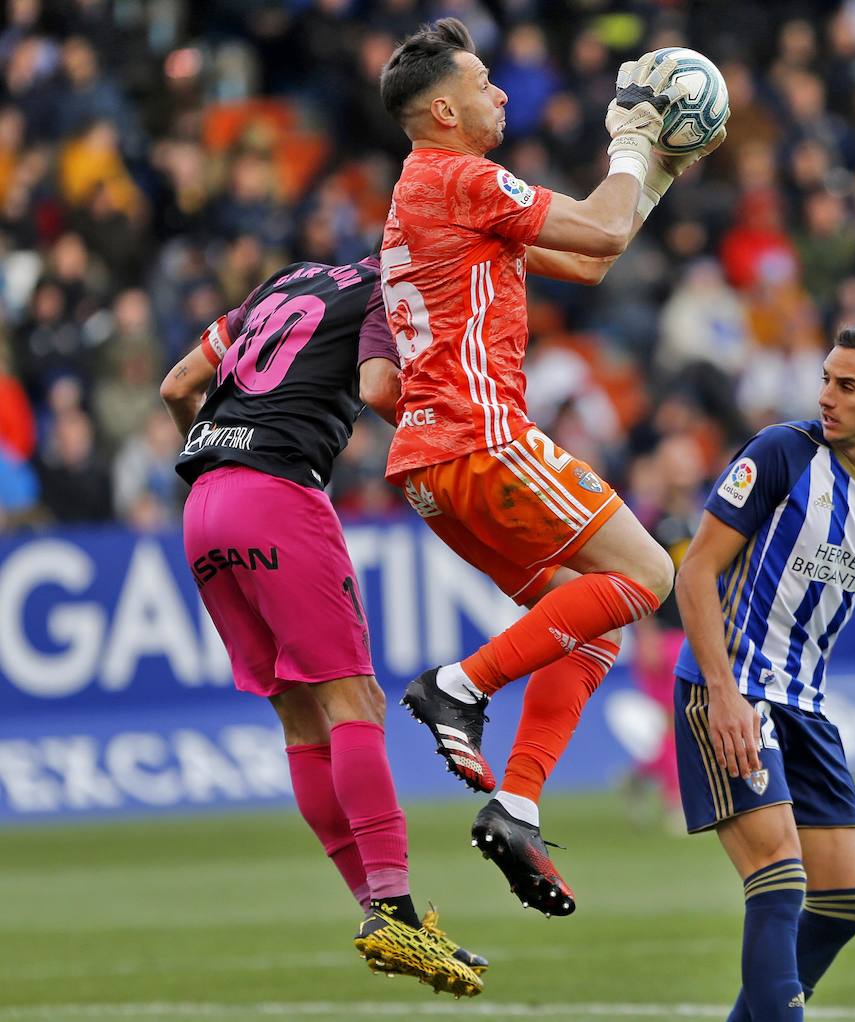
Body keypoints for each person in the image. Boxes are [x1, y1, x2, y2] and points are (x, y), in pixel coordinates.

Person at [374, 18, 723, 915]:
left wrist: (662, 171)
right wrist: (635, 140)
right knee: (649, 575)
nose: (500, 95)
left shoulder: (430, 195)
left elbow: (591, 258)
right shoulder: (461, 177)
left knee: (592, 625)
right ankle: (459, 686)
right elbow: (604, 230)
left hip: (429, 468)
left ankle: (517, 803)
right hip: (482, 439)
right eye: (486, 83)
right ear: (443, 110)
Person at [159, 255, 487, 999]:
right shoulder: (386, 289)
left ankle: (377, 913)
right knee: (354, 703)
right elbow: (377, 389)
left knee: (301, 720)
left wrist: (211, 448)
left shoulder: (284, 281)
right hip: (279, 495)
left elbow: (177, 384)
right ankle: (397, 911)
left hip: (203, 505)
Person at [673, 322, 855, 1021]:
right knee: (778, 880)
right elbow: (694, 574)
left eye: (848, 386)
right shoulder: (781, 454)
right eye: (825, 379)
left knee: (845, 902)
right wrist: (722, 695)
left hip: (804, 701)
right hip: (731, 688)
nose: (828, 397)